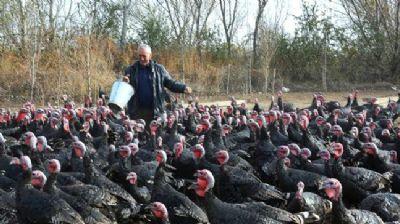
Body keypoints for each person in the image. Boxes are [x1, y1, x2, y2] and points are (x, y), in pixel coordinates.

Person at [123, 44, 192, 124]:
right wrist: (124, 83)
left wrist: (183, 88)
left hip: (156, 112)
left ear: (150, 56)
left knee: (156, 135)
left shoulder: (159, 69)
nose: (141, 58)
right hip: (136, 112)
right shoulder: (131, 70)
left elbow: (170, 83)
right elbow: (124, 88)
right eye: (140, 56)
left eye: (144, 56)